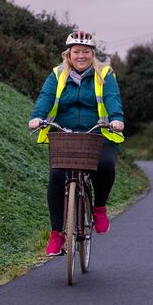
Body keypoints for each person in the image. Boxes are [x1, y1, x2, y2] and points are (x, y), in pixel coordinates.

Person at [29, 30, 125, 256]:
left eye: (86, 52)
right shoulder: (58, 74)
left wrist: (116, 119)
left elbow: (112, 98)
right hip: (65, 133)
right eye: (76, 52)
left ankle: (99, 206)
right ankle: (56, 234)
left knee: (106, 166)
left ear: (93, 54)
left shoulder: (105, 73)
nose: (81, 56)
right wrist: (37, 117)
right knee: (57, 177)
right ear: (68, 54)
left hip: (99, 132)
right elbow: (45, 97)